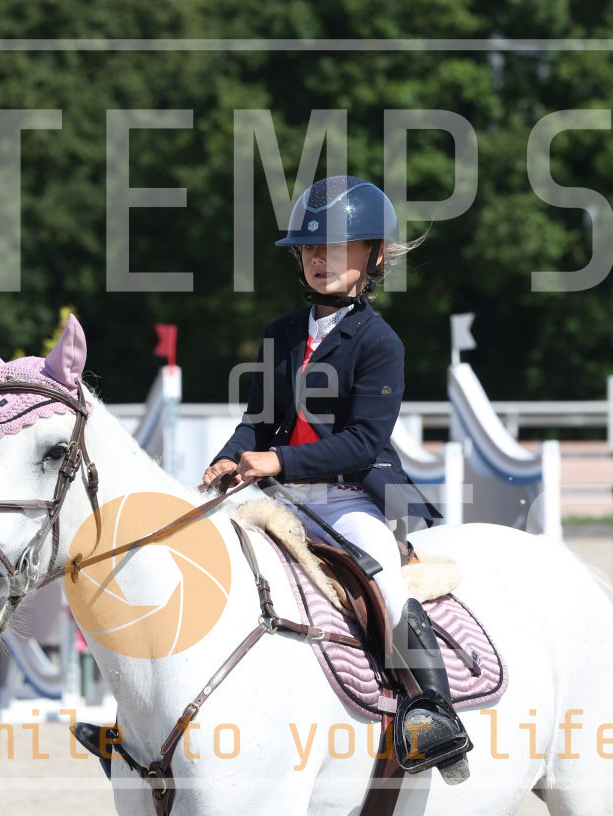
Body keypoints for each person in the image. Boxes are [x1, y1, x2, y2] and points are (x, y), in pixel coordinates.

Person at [201, 176, 472, 783]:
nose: (319, 259)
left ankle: (435, 711)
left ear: (373, 256)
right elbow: (257, 422)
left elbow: (363, 442)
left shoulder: (380, 342)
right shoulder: (280, 333)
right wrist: (228, 458)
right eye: (310, 248)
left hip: (350, 497)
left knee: (385, 583)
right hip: (278, 498)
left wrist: (278, 461)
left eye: (336, 247)